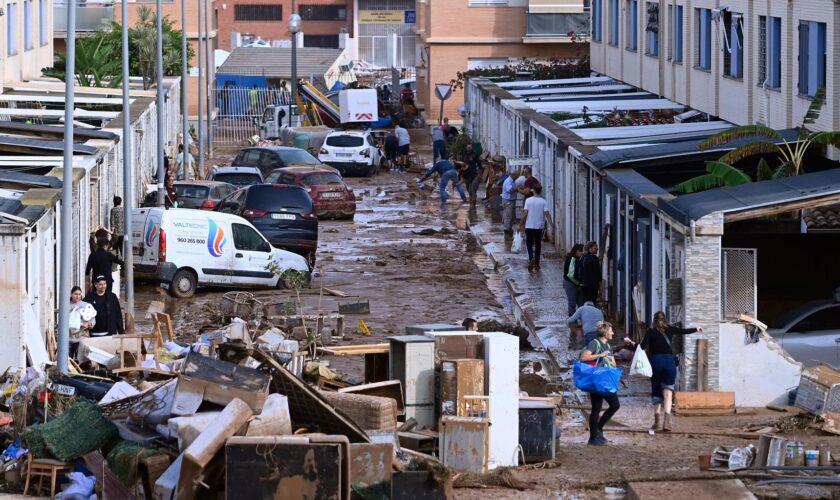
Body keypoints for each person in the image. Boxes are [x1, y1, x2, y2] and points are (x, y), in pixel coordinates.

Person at [627, 312, 703, 432]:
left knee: (657, 391)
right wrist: (696, 329)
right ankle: (667, 423)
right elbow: (683, 331)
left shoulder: (650, 332)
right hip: (669, 362)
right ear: (665, 320)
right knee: (668, 392)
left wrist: (631, 343)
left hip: (655, 362)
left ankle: (657, 423)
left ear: (654, 320)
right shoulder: (670, 329)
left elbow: (641, 347)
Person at [578, 321, 621, 446]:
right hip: (596, 380)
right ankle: (593, 438)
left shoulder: (608, 347)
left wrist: (608, 360)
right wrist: (600, 355)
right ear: (605, 332)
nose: (613, 333)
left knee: (615, 405)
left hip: (606, 380)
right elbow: (584, 358)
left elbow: (614, 364)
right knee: (596, 409)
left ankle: (599, 428)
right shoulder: (594, 343)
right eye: (611, 331)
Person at [518, 185, 552, 271]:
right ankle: (537, 264)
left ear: (533, 191)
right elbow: (547, 214)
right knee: (538, 245)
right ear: (540, 191)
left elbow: (525, 214)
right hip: (539, 226)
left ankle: (531, 258)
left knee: (529, 244)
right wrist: (552, 225)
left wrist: (520, 224)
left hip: (529, 225)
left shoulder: (528, 201)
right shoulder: (543, 202)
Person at [69, 286, 96, 359]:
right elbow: (65, 321)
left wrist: (89, 324)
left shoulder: (86, 305)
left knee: (81, 359)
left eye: (79, 294)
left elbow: (93, 319)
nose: (77, 296)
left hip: (82, 336)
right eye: (75, 294)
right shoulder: (66, 306)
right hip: (69, 337)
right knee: (68, 360)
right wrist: (80, 324)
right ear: (71, 294)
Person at [563, 244, 584, 316]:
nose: (582, 254)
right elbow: (570, 275)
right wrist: (578, 283)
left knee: (580, 302)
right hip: (570, 283)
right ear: (577, 251)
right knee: (572, 302)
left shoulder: (577, 258)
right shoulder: (572, 259)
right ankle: (572, 322)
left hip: (575, 283)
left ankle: (581, 319)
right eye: (581, 252)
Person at [501, 170, 520, 234]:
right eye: (517, 176)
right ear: (514, 175)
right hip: (508, 201)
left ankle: (509, 228)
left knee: (512, 215)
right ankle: (507, 229)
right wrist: (517, 189)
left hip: (511, 200)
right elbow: (511, 190)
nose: (518, 177)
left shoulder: (512, 181)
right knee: (508, 215)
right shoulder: (508, 181)